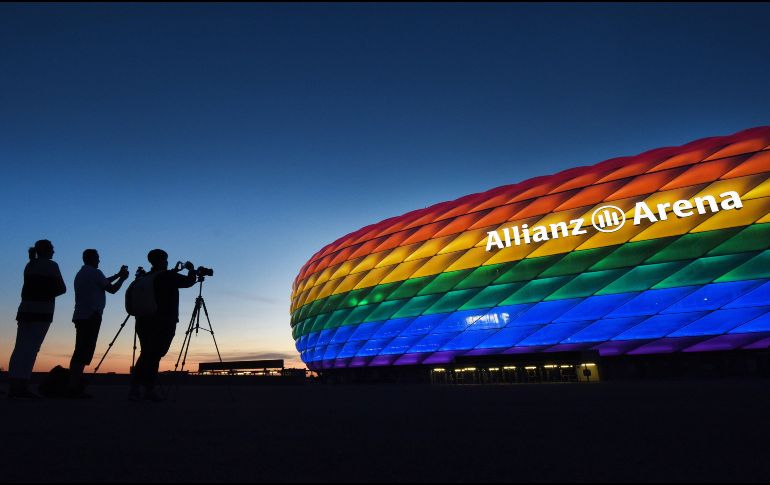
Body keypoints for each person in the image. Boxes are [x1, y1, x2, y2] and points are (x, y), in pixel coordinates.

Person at [129, 249, 196, 402]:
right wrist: (192, 270)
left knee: (146, 353)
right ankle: (148, 389)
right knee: (154, 355)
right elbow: (188, 282)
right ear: (163, 260)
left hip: (142, 320)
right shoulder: (167, 276)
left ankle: (136, 388)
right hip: (163, 321)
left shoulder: (147, 276)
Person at [8, 240, 66, 399]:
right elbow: (62, 288)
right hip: (42, 311)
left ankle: (14, 385)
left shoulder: (30, 265)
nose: (54, 252)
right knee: (32, 348)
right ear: (47, 251)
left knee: (20, 347)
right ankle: (23, 386)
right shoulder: (51, 265)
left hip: (25, 310)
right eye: (52, 249)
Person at [68, 249, 130, 397]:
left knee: (80, 350)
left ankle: (72, 385)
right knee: (83, 352)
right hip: (91, 315)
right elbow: (112, 289)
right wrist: (122, 279)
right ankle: (73, 387)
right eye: (97, 258)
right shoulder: (95, 272)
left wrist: (117, 274)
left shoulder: (83, 273)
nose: (99, 261)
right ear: (92, 258)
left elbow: (102, 283)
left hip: (81, 315)